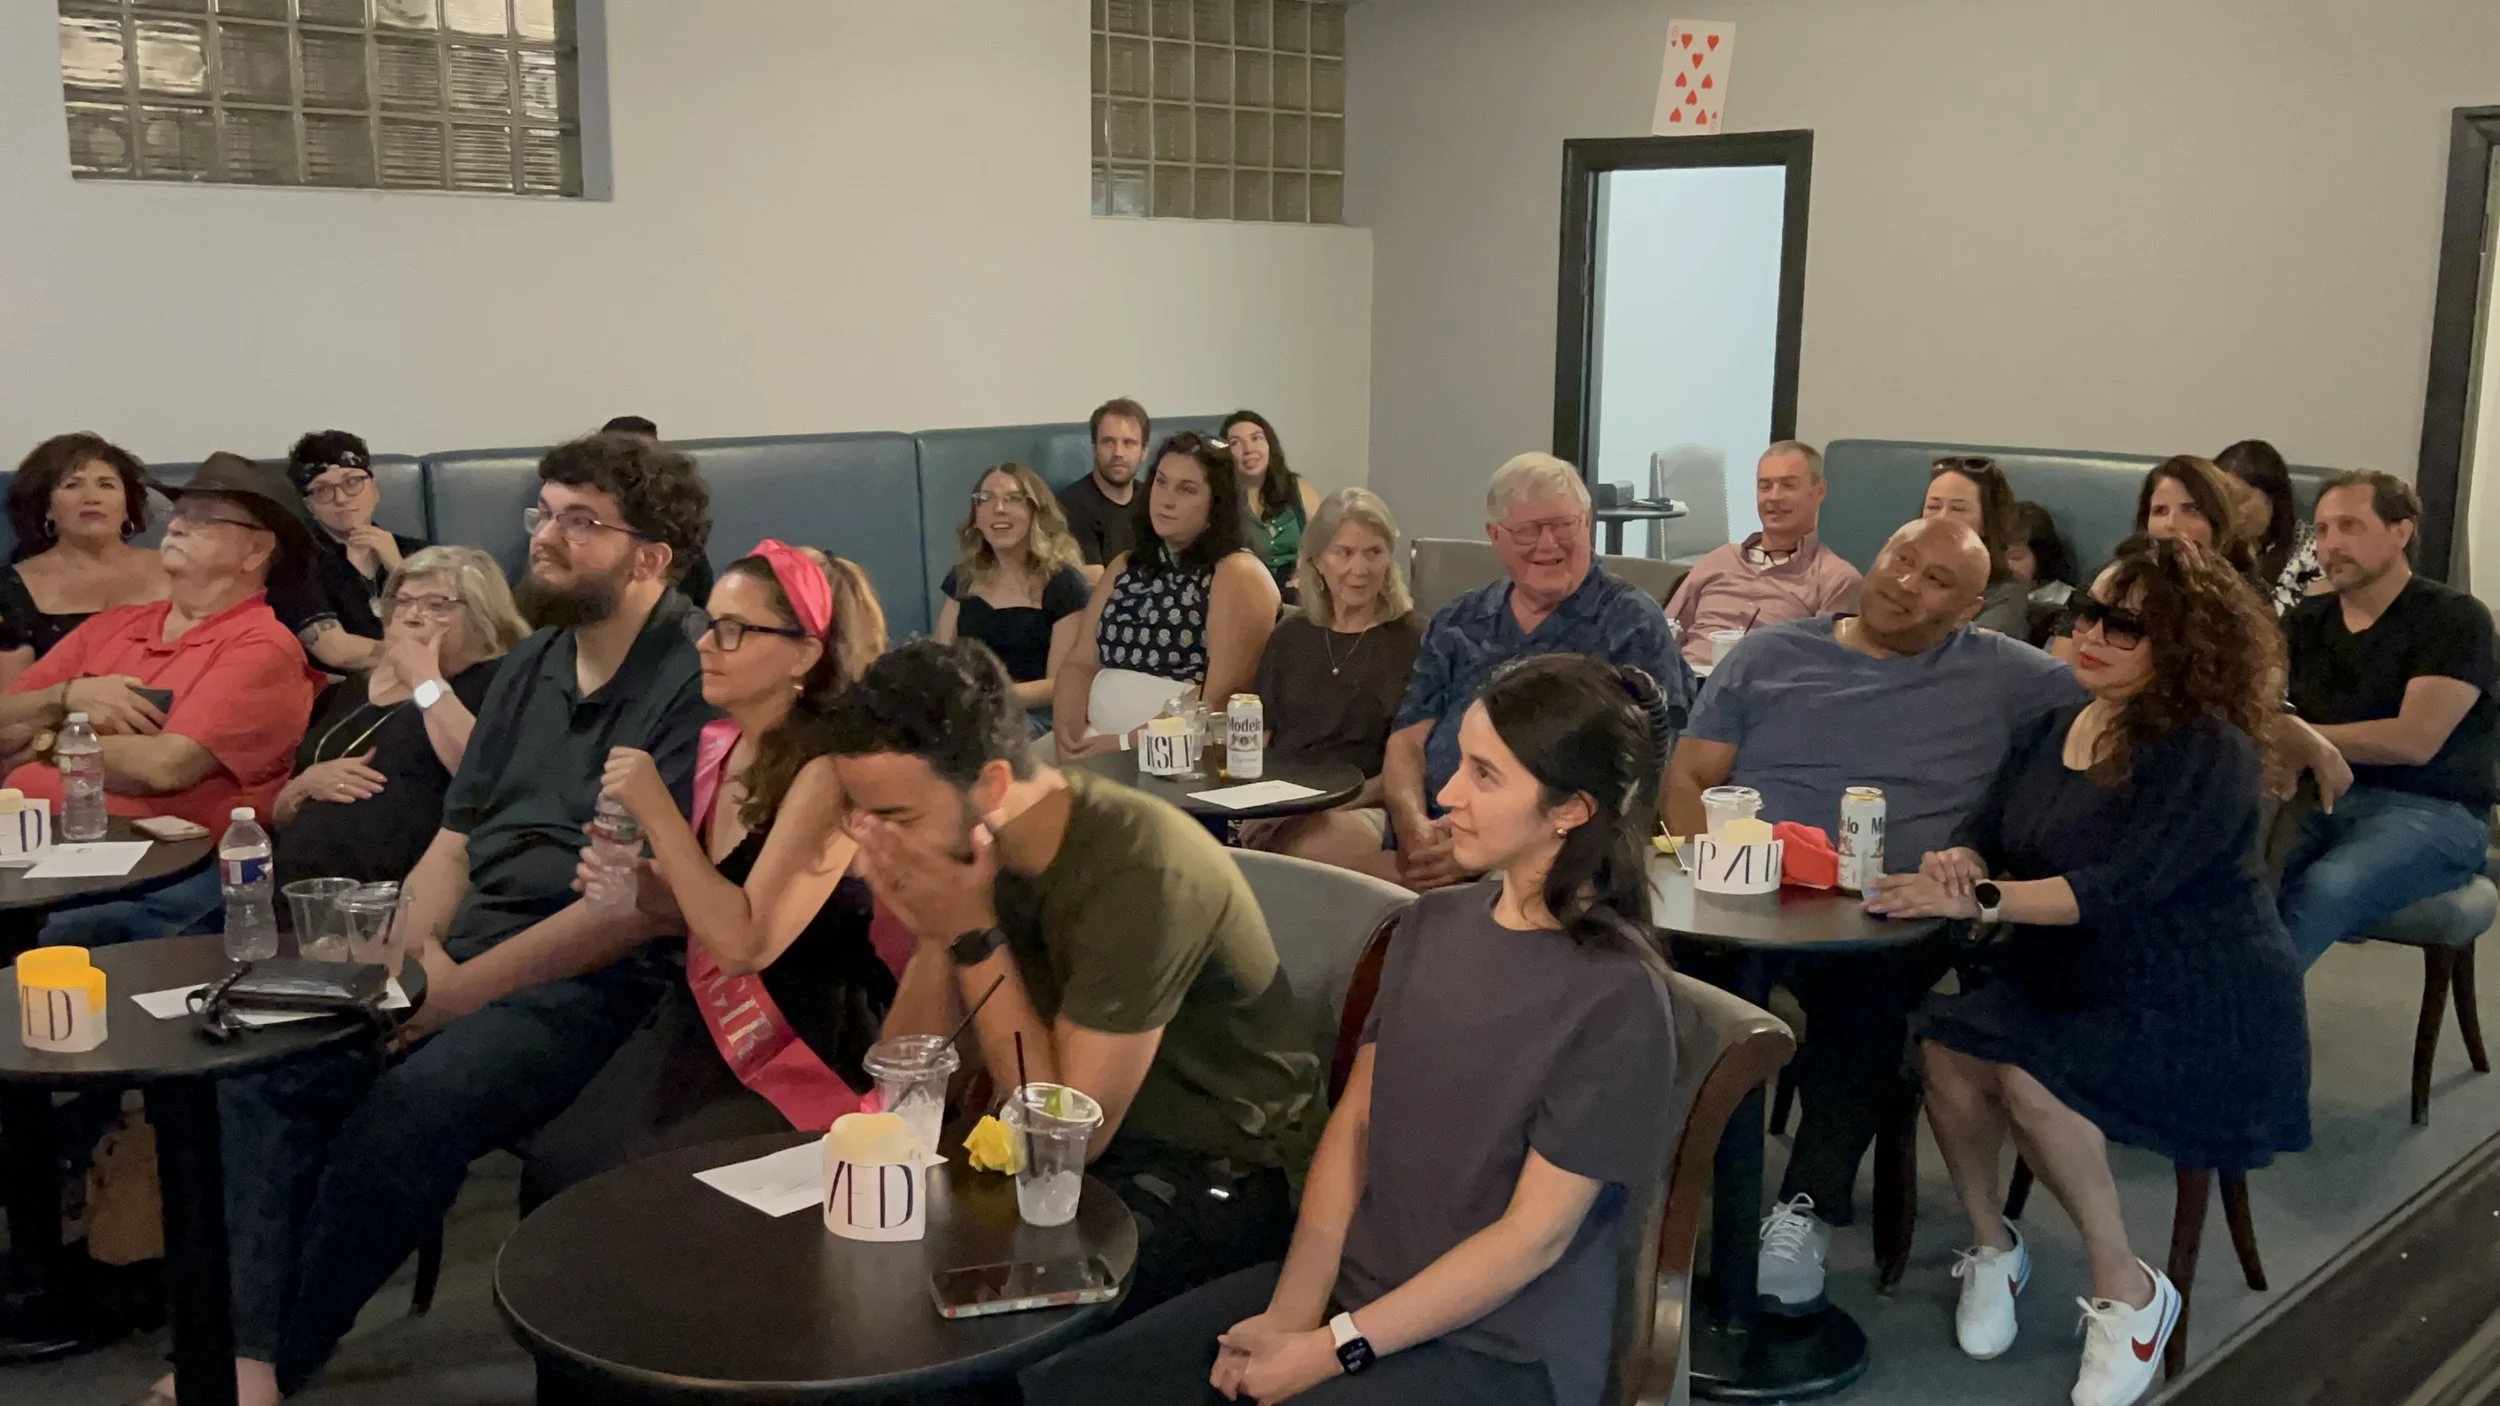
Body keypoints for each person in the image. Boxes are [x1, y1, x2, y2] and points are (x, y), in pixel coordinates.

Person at [191, 432, 715, 1406]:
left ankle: (284, 1350)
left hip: (598, 973)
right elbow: (455, 840)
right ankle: (246, 1353)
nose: (545, 537)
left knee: (412, 1104)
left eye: (580, 521)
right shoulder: (532, 664)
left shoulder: (693, 673)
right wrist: (404, 962)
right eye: (543, 513)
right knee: (269, 1064)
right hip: (467, 942)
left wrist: (452, 993)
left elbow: (633, 911)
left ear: (651, 554)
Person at [1021, 655, 1680, 1406]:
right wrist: (1293, 1312)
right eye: (1461, 762)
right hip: (1358, 1296)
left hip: (1499, 1349)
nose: (1447, 793)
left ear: (1571, 810)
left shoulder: (1618, 999)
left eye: (1485, 775)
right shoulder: (1430, 924)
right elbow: (1355, 1125)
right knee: (1070, 1389)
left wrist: (1331, 1349)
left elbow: (1531, 1240)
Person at [1869, 537, 2309, 1406]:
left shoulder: (2208, 750)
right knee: (1947, 1053)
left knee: (2034, 1079)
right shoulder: (2051, 727)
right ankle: (1994, 1246)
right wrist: (1962, 859)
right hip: (2073, 974)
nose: (2092, 634)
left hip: (2197, 996)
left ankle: (2130, 1289)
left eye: (2124, 625)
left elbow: (2121, 889)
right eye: (2088, 613)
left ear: (2182, 645)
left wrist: (1978, 899)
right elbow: (1984, 827)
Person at [828, 639, 1324, 1320]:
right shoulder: (968, 857)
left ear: (991, 787)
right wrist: (934, 932)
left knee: (964, 1309)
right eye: (862, 818)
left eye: (897, 819)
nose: (875, 846)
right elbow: (911, 1094)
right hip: (1078, 1148)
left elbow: (1068, 1140)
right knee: (869, 1268)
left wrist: (970, 932)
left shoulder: (1135, 869)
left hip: (1218, 1167)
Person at [1664, 516, 2083, 1318]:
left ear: (1968, 609)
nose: (1904, 583)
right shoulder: (1770, 654)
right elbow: (1689, 777)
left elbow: (2135, 695)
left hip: (1888, 908)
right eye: (1901, 558)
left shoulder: (2005, 674)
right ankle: (1653, 1187)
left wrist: (2288, 726)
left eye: (1936, 580)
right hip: (1743, 889)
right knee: (1647, 977)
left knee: (1864, 1004)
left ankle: (1805, 1211)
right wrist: (1700, 872)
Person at [524, 542, 903, 1207]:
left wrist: (658, 814)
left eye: (734, 630)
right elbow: (706, 899)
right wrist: (639, 883)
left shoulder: (827, 772)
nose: (705, 644)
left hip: (805, 1032)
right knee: (559, 1164)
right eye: (708, 623)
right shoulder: (724, 744)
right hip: (705, 1014)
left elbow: (743, 944)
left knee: (630, 1193)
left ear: (803, 654)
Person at [0, 453, 320, 945]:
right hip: (39, 854)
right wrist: (68, 696)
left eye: (205, 519)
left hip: (172, 874)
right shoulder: (116, 624)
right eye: (180, 513)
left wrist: (47, 737)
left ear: (255, 551)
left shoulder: (260, 646)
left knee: (63, 939)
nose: (178, 526)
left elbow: (164, 766)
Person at [1384, 453, 1694, 892]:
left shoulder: (1631, 623)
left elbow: (1636, 773)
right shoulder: (1459, 618)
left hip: (1552, 853)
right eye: (1528, 530)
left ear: (1587, 523)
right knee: (1319, 862)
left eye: (1563, 525)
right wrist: (1412, 825)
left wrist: (1484, 846)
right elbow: (1407, 740)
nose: (1549, 545)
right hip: (1431, 837)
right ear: (1495, 535)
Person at [2276, 471, 2498, 970]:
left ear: (2401, 532)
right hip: (2322, 794)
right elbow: (2265, 713)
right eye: (2323, 530)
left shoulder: (2455, 618)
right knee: (2232, 872)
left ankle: (2246, 1013)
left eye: (2350, 526)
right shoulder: (2305, 621)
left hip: (2433, 809)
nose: (2331, 545)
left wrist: (2303, 738)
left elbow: (2413, 740)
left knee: (2326, 887)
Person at [271, 546, 527, 895]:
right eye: (403, 602)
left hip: (409, 895)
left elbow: (489, 780)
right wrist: (304, 785)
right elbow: (280, 808)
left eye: (437, 605)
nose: (412, 616)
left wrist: (424, 679)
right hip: (301, 889)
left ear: (484, 616)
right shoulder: (356, 685)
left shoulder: (503, 681)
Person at [1053, 431, 1280, 756]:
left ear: (1217, 504)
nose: (1166, 499)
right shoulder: (1125, 565)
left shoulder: (1237, 573)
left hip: (1181, 748)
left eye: (1186, 489)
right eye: (1161, 482)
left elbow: (1216, 699)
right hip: (1094, 742)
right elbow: (1079, 663)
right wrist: (1067, 739)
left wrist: (1123, 745)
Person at [1240, 489, 1425, 880]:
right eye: (1344, 553)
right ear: (1317, 560)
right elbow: (1261, 741)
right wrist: (1262, 805)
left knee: (1307, 846)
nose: (1360, 568)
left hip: (1367, 802)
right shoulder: (1290, 636)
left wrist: (1324, 807)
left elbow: (1411, 763)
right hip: (1284, 802)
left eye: (1373, 553)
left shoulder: (1416, 639)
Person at [1663, 441, 1862, 666]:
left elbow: (1826, 670)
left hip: (1764, 685)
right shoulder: (1718, 560)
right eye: (1765, 487)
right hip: (1687, 679)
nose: (1774, 497)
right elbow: (1662, 636)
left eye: (1788, 485)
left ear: (1819, 491)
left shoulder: (1836, 580)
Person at [0, 433, 167, 688]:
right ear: (47, 509)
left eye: (106, 485)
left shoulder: (180, 570)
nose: (91, 497)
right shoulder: (8, 589)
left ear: (127, 508)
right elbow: (10, 704)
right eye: (72, 485)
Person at [934, 463, 1091, 734]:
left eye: (1013, 499)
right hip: (969, 710)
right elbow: (940, 655)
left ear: (1036, 512)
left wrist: (989, 698)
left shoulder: (1064, 584)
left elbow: (1058, 685)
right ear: (976, 517)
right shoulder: (963, 577)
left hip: (1032, 716)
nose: (998, 508)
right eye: (986, 499)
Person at [273, 430, 428, 673]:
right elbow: (336, 650)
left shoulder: (420, 553)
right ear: (309, 505)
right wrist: (430, 656)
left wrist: (399, 569)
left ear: (374, 489)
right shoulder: (296, 564)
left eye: (352, 482)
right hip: (353, 690)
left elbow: (459, 626)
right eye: (322, 490)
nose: (341, 498)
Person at [1922, 455, 2029, 635]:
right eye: (1933, 507)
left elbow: (1975, 649)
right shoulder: (1901, 574)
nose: (1941, 518)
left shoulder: (2006, 592)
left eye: (1958, 509)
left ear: (1987, 523)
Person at [2218, 438, 2327, 615]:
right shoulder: (2209, 548)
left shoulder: (2313, 552)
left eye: (2240, 499)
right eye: (2221, 500)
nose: (2229, 511)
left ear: (2273, 498)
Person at [1224, 410, 1323, 595]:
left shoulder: (1297, 487)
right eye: (1235, 442)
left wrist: (1307, 573)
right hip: (1247, 595)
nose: (1248, 449)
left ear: (1270, 444)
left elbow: (1327, 540)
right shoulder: (1220, 500)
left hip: (1300, 592)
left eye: (1256, 438)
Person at [1058, 397, 1151, 576]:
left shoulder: (1153, 500)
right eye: (1108, 442)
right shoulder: (1069, 506)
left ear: (1144, 451)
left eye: (1129, 443)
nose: (1118, 453)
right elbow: (1095, 582)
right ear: (1094, 449)